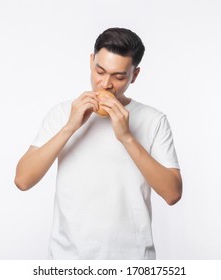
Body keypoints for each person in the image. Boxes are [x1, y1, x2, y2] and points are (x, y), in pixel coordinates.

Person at [14, 27, 182, 260]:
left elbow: (172, 194)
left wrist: (127, 138)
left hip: (132, 261)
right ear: (91, 61)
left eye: (119, 76)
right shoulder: (62, 113)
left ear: (134, 75)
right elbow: (23, 180)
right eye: (99, 71)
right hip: (68, 260)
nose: (105, 84)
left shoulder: (153, 120)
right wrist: (70, 127)